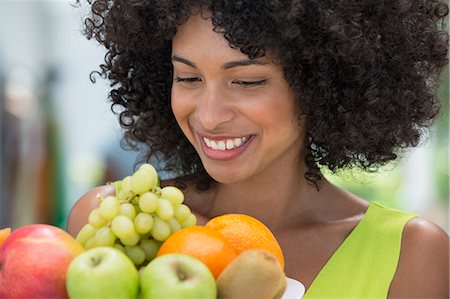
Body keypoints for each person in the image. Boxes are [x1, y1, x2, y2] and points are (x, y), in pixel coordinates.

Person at [68, 1, 449, 298]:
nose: (209, 115)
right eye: (188, 78)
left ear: (319, 84)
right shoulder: (116, 224)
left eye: (247, 81)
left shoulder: (412, 257)